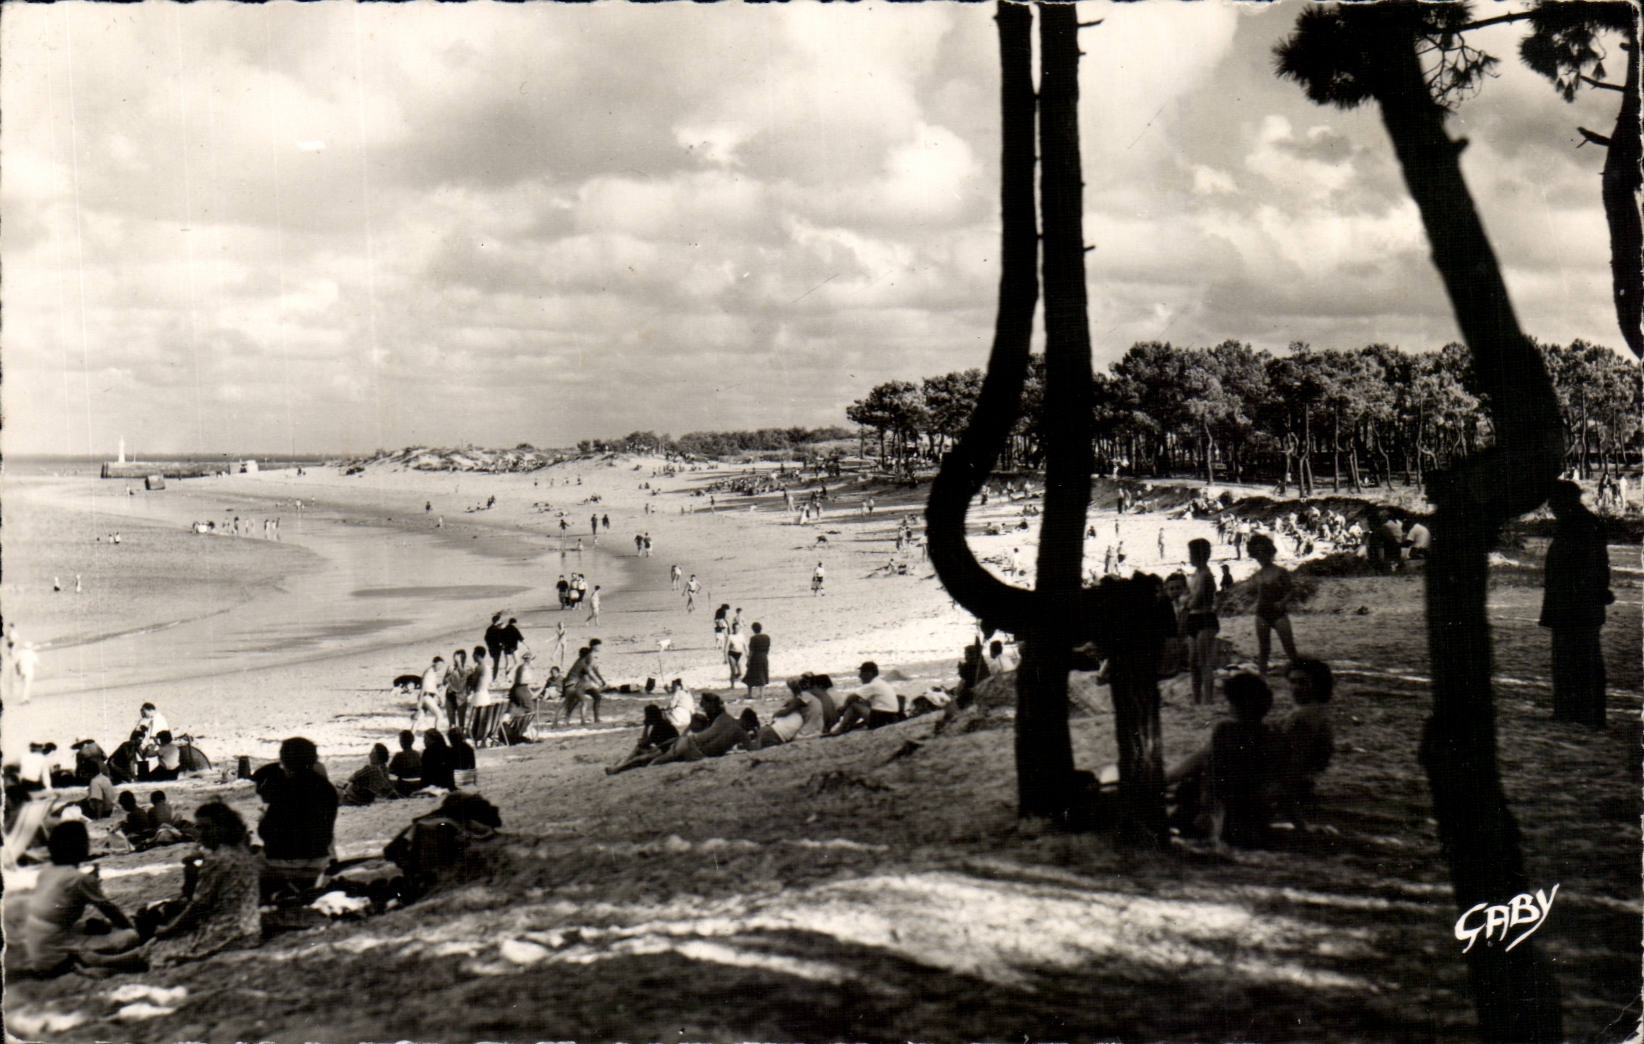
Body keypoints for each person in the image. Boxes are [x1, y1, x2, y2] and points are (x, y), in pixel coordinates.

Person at [4, 820, 140, 977]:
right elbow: (111, 911)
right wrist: (131, 928)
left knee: (94, 926)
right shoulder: (79, 879)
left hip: (37, 941)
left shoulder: (47, 870)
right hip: (54, 951)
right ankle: (90, 959)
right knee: (129, 936)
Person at [142, 801, 262, 967]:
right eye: (199, 828)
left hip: (226, 931)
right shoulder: (241, 852)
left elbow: (199, 906)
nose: (201, 834)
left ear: (222, 828)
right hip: (250, 929)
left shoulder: (217, 860)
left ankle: (114, 960)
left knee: (156, 948)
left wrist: (168, 930)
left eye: (207, 828)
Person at [1167, 673, 1280, 848]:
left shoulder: (1227, 731)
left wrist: (1208, 810)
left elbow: (1213, 773)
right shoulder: (1274, 734)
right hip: (1256, 812)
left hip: (1222, 811)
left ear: (1234, 705)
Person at [1541, 481, 1614, 729]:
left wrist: (1594, 592)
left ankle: (1586, 713)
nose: (1551, 507)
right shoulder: (1577, 523)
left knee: (1581, 657)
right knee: (1571, 656)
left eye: (1554, 502)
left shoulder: (1581, 525)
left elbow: (1594, 565)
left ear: (1566, 501)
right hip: (1573, 602)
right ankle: (1570, 710)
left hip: (1577, 603)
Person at [255, 737, 338, 901]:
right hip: (319, 860)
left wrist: (264, 819)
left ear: (285, 761)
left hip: (283, 862)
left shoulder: (285, 788)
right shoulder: (327, 788)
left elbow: (266, 832)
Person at [1274, 659, 1335, 824]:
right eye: (1292, 682)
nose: (1295, 687)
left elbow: (1294, 762)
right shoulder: (1318, 711)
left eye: (1302, 683)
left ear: (1317, 685)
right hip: (1302, 782)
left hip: (1286, 785)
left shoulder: (1301, 717)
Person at [1248, 533, 1300, 677]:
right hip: (1262, 613)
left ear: (1269, 552)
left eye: (1263, 551)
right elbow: (1255, 594)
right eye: (1257, 553)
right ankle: (1262, 678)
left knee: (1289, 647)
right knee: (1264, 649)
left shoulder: (1280, 572)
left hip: (1278, 613)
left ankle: (1300, 675)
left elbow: (1291, 591)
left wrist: (1282, 603)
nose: (1261, 555)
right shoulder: (1257, 575)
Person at [648, 693, 748, 765]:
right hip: (692, 746)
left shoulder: (719, 719)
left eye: (704, 705)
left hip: (691, 746)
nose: (703, 708)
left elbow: (705, 736)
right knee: (664, 754)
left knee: (662, 756)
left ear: (711, 705)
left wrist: (690, 732)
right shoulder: (720, 718)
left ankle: (650, 761)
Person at [1185, 538, 1219, 705]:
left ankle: (1208, 699)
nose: (1189, 557)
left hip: (1205, 617)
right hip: (1194, 618)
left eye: (1191, 553)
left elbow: (1195, 600)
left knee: (1204, 661)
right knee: (1193, 662)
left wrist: (1185, 602)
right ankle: (1197, 698)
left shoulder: (1205, 575)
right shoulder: (1196, 574)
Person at [827, 661, 902, 735]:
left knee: (854, 705)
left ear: (869, 673)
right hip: (890, 717)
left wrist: (844, 707)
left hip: (881, 718)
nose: (859, 676)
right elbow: (867, 702)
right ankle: (846, 726)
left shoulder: (873, 685)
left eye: (862, 673)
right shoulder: (881, 683)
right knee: (859, 703)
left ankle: (841, 728)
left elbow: (852, 697)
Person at [605, 705, 682, 774]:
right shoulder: (661, 724)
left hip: (666, 751)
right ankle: (621, 765)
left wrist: (646, 727)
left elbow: (644, 742)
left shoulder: (659, 726)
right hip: (663, 749)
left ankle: (619, 767)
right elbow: (645, 742)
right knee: (639, 749)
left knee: (638, 757)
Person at [416, 656, 448, 732]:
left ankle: (411, 733)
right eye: (439, 665)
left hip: (427, 697)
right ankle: (437, 734)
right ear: (434, 663)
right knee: (439, 715)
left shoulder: (432, 672)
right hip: (426, 697)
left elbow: (433, 688)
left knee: (420, 719)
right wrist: (420, 701)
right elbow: (423, 687)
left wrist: (440, 697)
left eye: (442, 665)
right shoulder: (429, 673)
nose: (440, 667)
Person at [388, 730, 423, 795]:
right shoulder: (417, 754)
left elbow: (390, 770)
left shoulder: (399, 755)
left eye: (400, 740)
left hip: (403, 785)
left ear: (401, 742)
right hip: (417, 784)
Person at [743, 622, 771, 698]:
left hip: (755, 658)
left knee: (750, 675)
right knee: (763, 674)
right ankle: (762, 694)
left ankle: (750, 694)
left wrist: (748, 660)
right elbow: (768, 648)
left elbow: (751, 651)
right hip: (764, 657)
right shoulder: (767, 637)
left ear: (753, 629)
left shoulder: (753, 638)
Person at [484, 614, 506, 679]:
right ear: (497, 621)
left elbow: (486, 638)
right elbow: (500, 638)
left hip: (491, 648)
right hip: (497, 648)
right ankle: (494, 677)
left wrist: (489, 646)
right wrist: (502, 645)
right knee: (496, 663)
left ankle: (494, 676)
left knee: (495, 662)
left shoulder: (489, 628)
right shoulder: (497, 629)